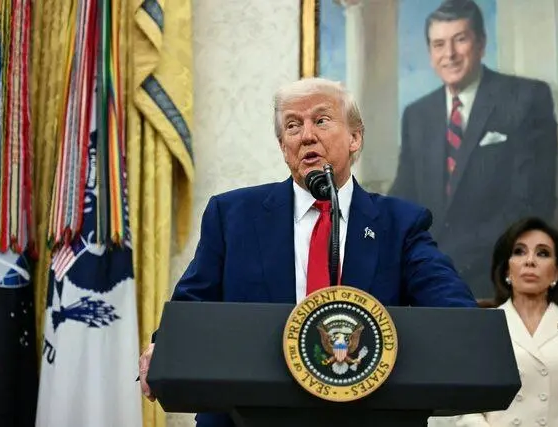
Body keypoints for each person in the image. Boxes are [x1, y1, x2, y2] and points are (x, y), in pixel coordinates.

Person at [138, 77, 478, 427]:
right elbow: (192, 305)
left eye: (321, 120)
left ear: (355, 137)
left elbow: (455, 313)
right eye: (292, 125)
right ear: (283, 146)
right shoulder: (232, 216)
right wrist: (165, 346)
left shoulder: (401, 224)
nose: (306, 136)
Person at [389, 0, 558, 299]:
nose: (449, 54)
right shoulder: (417, 114)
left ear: (480, 43)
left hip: (498, 279)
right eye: (439, 44)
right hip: (428, 283)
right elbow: (404, 195)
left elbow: (531, 204)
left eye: (460, 39)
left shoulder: (526, 98)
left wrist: (444, 257)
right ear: (430, 53)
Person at [456, 217, 558, 427]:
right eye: (519, 251)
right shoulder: (483, 326)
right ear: (506, 270)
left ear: (557, 273)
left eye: (542, 253)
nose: (530, 261)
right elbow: (468, 412)